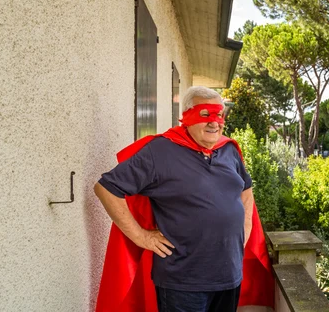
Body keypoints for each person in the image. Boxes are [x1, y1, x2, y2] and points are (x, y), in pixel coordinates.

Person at [94, 86, 257, 312]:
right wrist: (141, 237)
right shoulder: (160, 151)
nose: (214, 122)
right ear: (187, 116)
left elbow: (245, 189)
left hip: (229, 276)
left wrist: (245, 227)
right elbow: (107, 188)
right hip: (183, 283)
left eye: (219, 115)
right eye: (205, 114)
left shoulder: (228, 150)